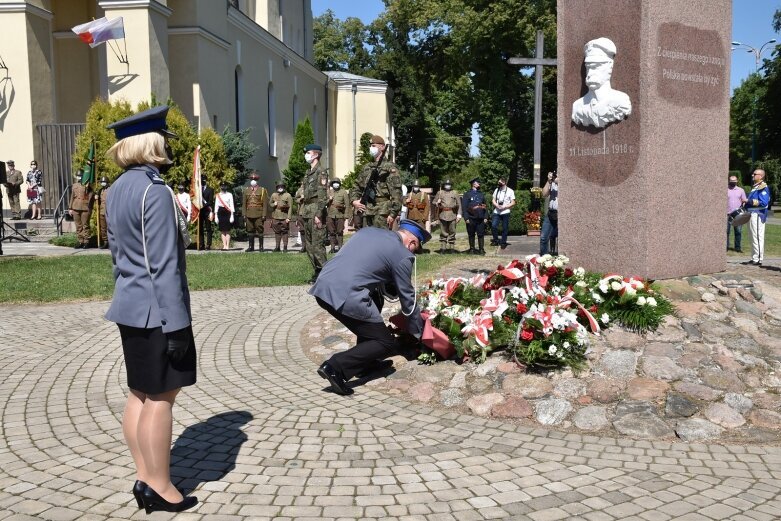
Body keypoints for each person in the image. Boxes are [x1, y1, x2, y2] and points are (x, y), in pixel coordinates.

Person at [103, 105, 198, 514]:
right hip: (159, 312)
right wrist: (177, 326)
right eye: (162, 140)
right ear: (151, 143)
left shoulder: (117, 189)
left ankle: (145, 476)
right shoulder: (154, 191)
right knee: (161, 397)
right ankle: (160, 486)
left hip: (129, 307)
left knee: (139, 395)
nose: (165, 147)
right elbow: (165, 265)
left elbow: (116, 255)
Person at [312, 219, 431, 395]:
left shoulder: (367, 231)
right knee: (384, 342)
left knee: (375, 306)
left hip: (323, 287)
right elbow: (408, 298)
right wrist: (417, 332)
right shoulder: (402, 254)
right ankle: (335, 367)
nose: (414, 252)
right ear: (412, 243)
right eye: (416, 249)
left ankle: (365, 364)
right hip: (347, 294)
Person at [571, 37, 632, 128]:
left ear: (610, 66)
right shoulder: (578, 106)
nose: (591, 73)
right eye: (588, 67)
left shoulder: (621, 102)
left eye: (596, 66)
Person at [349, 135, 402, 229]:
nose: (371, 148)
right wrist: (354, 201)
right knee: (368, 241)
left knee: (382, 241)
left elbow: (396, 193)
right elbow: (356, 186)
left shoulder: (389, 167)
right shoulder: (367, 167)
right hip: (367, 210)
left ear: (382, 147)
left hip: (383, 211)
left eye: (374, 146)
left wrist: (393, 213)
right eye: (370, 146)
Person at [300, 143, 328, 282]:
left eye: (308, 152)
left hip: (316, 210)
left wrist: (319, 215)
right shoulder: (308, 173)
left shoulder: (321, 172)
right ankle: (317, 272)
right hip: (307, 211)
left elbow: (323, 197)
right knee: (309, 246)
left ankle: (326, 273)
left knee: (318, 245)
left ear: (316, 154)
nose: (306, 155)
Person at [746, 169, 770, 266]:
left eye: (755, 174)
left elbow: (764, 202)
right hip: (752, 213)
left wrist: (749, 201)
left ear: (761, 176)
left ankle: (758, 258)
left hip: (758, 214)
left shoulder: (763, 187)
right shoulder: (755, 187)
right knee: (752, 236)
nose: (753, 175)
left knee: (757, 236)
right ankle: (754, 257)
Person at [432, 179, 461, 254]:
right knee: (443, 231)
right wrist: (437, 202)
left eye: (449, 184)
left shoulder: (455, 193)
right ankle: (443, 247)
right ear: (444, 185)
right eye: (446, 184)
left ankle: (452, 247)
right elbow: (433, 202)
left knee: (452, 231)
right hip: (443, 214)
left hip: (452, 214)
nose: (447, 186)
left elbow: (459, 204)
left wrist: (459, 215)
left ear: (451, 185)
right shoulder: (440, 192)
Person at [243, 172, 268, 252]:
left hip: (258, 213)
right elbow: (244, 204)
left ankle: (261, 247)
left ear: (257, 180)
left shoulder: (262, 190)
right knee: (250, 230)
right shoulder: (246, 190)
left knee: (260, 230)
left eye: (255, 179)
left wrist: (264, 215)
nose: (253, 181)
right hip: (249, 213)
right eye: (252, 179)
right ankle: (251, 247)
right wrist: (244, 214)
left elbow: (265, 204)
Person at [462, 177, 488, 254]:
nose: (479, 184)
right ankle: (472, 249)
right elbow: (464, 207)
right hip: (471, 218)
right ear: (473, 184)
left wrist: (486, 216)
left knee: (481, 234)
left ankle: (481, 249)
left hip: (480, 218)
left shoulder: (481, 194)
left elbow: (485, 206)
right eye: (478, 182)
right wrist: (466, 218)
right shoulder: (467, 194)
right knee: (471, 234)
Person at [69, 170, 93, 249]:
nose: (79, 177)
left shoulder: (87, 185)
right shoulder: (74, 185)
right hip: (75, 207)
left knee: (85, 225)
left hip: (85, 207)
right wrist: (70, 208)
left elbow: (91, 195)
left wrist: (89, 206)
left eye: (80, 176)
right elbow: (72, 197)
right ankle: (80, 241)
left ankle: (86, 241)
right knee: (78, 226)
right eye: (78, 176)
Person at [491, 176, 515, 248]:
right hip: (497, 211)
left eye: (500, 182)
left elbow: (513, 202)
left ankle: (503, 242)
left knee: (505, 228)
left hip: (505, 212)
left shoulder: (510, 191)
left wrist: (505, 207)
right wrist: (496, 205)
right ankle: (495, 240)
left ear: (504, 183)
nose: (498, 183)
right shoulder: (497, 190)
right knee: (494, 226)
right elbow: (493, 200)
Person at [269, 180, 293, 252]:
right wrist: (274, 204)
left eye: (282, 186)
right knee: (277, 232)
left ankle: (285, 247)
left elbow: (290, 207)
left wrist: (289, 217)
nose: (280, 188)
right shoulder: (273, 195)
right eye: (279, 187)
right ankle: (277, 247)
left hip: (284, 216)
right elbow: (270, 204)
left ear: (284, 187)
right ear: (277, 187)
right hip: (276, 216)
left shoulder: (288, 195)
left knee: (285, 232)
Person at [326, 178, 349, 253]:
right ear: (332, 184)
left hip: (340, 215)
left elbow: (347, 205)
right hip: (330, 215)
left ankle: (340, 247)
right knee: (331, 232)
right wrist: (329, 199)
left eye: (337, 182)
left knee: (340, 232)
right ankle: (332, 248)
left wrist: (346, 216)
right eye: (334, 182)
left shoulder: (343, 192)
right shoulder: (329, 192)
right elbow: (323, 203)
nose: (336, 184)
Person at [540, 171, 559, 256]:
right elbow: (544, 194)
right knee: (543, 237)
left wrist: (559, 182)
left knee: (558, 237)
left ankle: (559, 257)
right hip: (550, 213)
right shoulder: (552, 182)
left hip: (561, 214)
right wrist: (549, 181)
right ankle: (544, 258)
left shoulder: (564, 181)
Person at [727, 174, 747, 252]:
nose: (733, 182)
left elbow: (744, 200)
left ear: (737, 181)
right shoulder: (725, 189)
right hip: (727, 214)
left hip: (737, 214)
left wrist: (743, 205)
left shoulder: (741, 190)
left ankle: (737, 248)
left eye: (734, 181)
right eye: (731, 181)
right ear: (729, 181)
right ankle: (726, 247)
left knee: (738, 231)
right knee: (727, 231)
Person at [214, 182, 235, 250]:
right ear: (220, 187)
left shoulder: (229, 194)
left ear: (226, 187)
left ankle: (228, 245)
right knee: (222, 230)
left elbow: (231, 204)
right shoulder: (218, 195)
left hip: (227, 212)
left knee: (227, 230)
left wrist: (232, 215)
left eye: (224, 186)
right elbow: (216, 205)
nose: (223, 187)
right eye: (222, 186)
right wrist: (216, 215)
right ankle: (224, 245)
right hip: (220, 212)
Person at [198, 179, 214, 250]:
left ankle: (208, 244)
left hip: (207, 210)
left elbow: (210, 201)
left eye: (204, 179)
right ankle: (201, 244)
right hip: (200, 211)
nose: (203, 181)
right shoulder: (198, 189)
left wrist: (203, 205)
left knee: (208, 228)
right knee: (200, 228)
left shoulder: (210, 190)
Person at [96, 176, 110, 249]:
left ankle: (111, 242)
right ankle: (105, 242)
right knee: (103, 228)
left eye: (104, 182)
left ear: (107, 183)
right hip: (102, 211)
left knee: (110, 227)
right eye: (102, 182)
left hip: (109, 211)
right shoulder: (100, 190)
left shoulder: (111, 190)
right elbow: (98, 202)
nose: (103, 183)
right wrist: (96, 197)